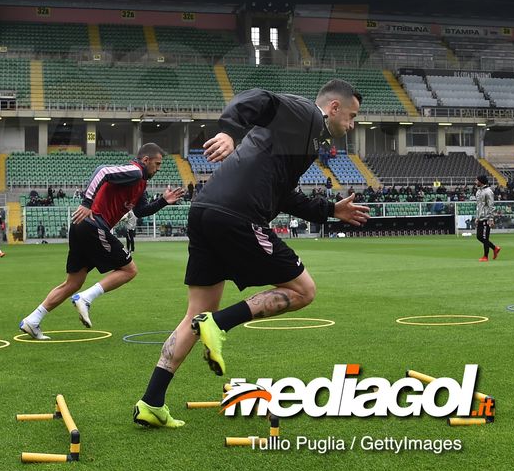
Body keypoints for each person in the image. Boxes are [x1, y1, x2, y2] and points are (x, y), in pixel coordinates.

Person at [133, 79, 369, 429]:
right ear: (333, 108)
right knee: (304, 291)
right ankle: (220, 324)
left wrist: (329, 211)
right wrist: (229, 131)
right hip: (238, 215)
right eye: (351, 117)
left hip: (205, 213)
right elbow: (260, 98)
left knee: (195, 316)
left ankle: (151, 401)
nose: (351, 126)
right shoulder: (306, 115)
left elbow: (285, 194)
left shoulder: (308, 139)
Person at [18, 143, 186, 340]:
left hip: (82, 227)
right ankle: (86, 298)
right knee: (129, 270)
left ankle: (33, 320)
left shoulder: (141, 184)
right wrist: (87, 203)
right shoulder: (134, 171)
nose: (158, 169)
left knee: (73, 283)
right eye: (156, 164)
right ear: (145, 160)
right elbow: (103, 170)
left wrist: (163, 202)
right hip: (93, 224)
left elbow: (139, 211)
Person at [474, 175, 500, 262]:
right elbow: (479, 206)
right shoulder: (478, 192)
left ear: (481, 181)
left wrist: (491, 219)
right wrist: (477, 217)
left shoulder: (488, 192)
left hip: (487, 218)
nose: (475, 182)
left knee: (484, 237)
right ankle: (495, 248)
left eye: (477, 180)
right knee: (479, 236)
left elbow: (491, 205)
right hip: (481, 217)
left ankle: (485, 256)